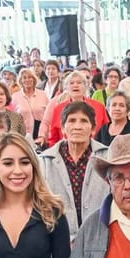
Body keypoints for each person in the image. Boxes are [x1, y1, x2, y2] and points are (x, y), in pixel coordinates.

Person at [39, 101, 109, 242]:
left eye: (84, 121)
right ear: (63, 128)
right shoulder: (45, 161)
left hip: (100, 239)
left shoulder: (107, 157)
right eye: (71, 121)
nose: (77, 126)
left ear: (93, 129)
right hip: (59, 240)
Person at [11, 68, 48, 141]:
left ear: (34, 79)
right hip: (22, 136)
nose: (27, 80)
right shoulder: (15, 97)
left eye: (30, 77)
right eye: (24, 78)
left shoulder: (43, 94)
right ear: (21, 81)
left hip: (41, 135)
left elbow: (49, 115)